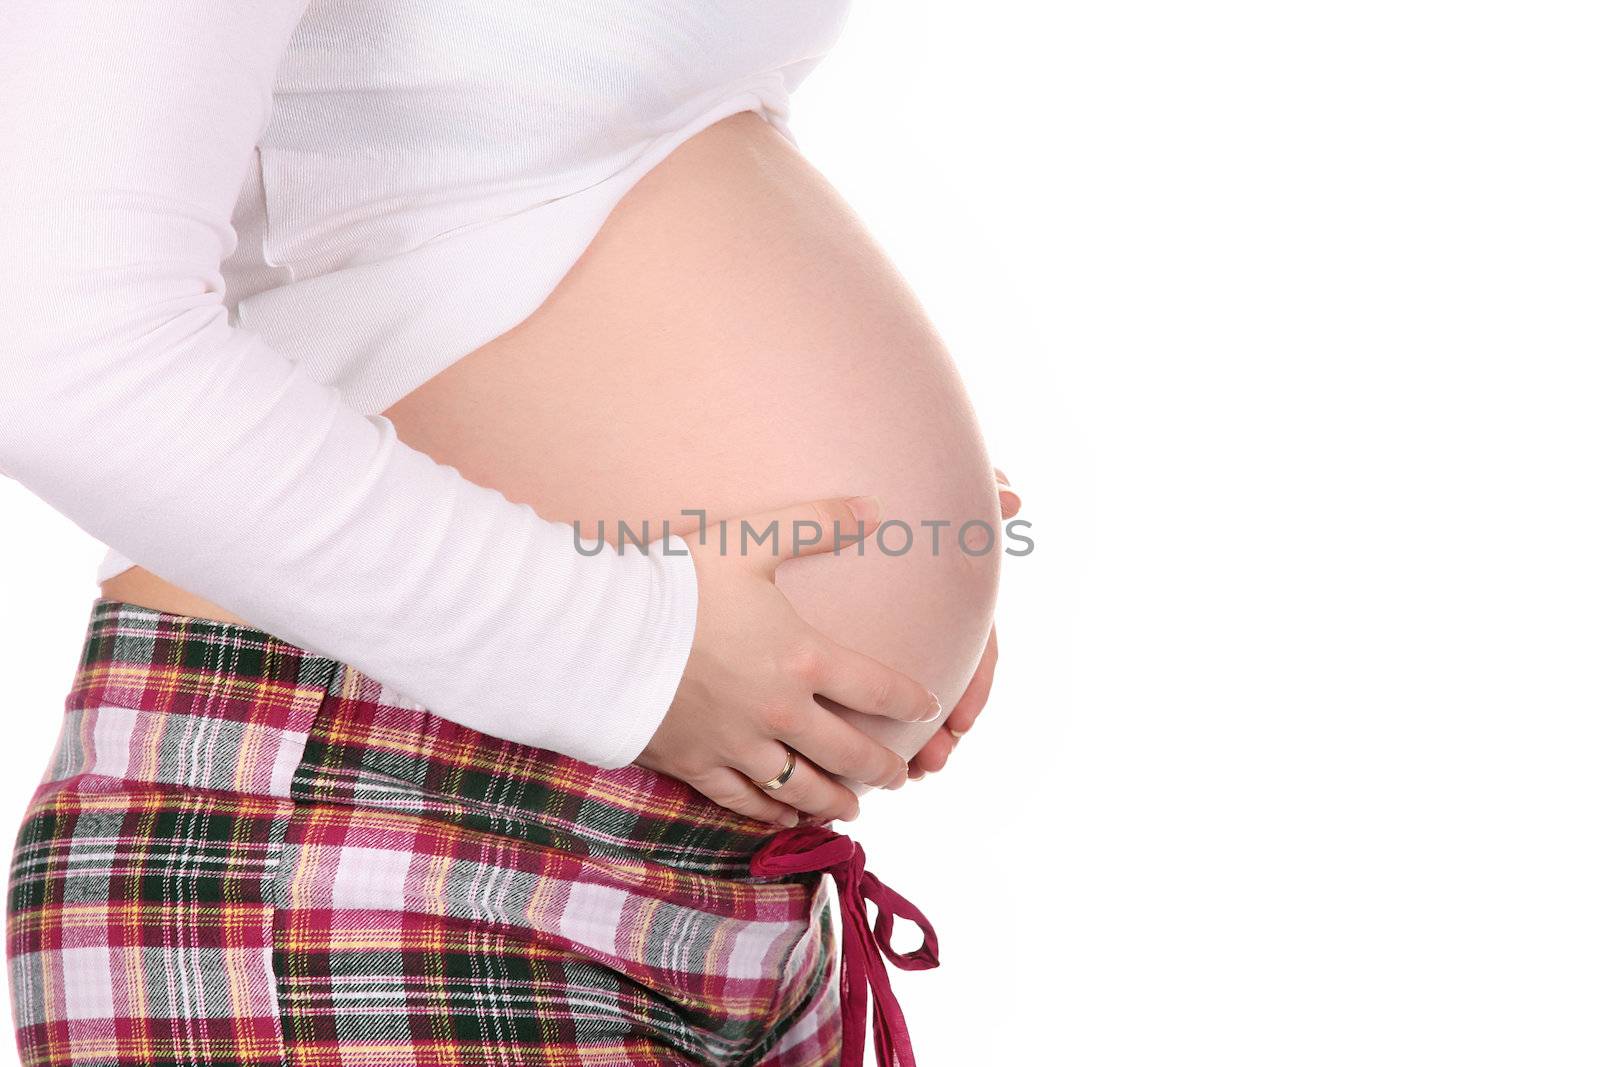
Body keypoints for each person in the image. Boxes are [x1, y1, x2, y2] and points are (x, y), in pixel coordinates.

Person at [0, 3, 1012, 1064]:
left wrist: (905, 546)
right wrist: (632, 647)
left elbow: (518, 170)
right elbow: (47, 343)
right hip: (364, 829)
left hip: (720, 878)